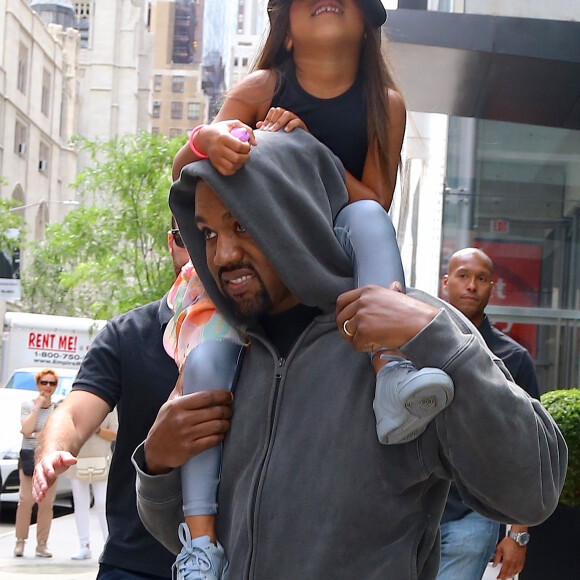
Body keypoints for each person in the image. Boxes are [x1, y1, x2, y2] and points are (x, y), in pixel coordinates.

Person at [133, 129, 566, 580]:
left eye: (242, 224)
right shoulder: (224, 359)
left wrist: (435, 340)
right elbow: (199, 547)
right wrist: (158, 465)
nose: (222, 254)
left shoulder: (411, 326)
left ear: (296, 215)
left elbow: (531, 492)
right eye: (207, 233)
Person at [167, 2, 453, 576]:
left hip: (330, 250)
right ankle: (200, 544)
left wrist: (312, 151)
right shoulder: (263, 85)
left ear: (369, 20)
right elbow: (190, 167)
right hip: (264, 258)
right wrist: (212, 140)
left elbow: (373, 198)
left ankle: (388, 368)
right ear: (287, 31)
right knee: (203, 375)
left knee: (371, 221)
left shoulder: (386, 106)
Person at [31, 225, 190, 579]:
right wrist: (53, 449)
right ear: (170, 243)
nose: (195, 250)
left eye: (207, 234)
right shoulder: (126, 334)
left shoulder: (252, 334)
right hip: (134, 561)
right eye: (185, 236)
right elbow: (72, 412)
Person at [438, 247, 541, 580]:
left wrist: (518, 533)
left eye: (481, 279)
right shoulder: (415, 343)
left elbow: (530, 447)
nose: (471, 286)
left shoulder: (514, 359)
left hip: (474, 515)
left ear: (491, 287)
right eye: (463, 276)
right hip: (409, 511)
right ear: (446, 283)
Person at [14, 368, 59, 558]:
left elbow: (54, 433)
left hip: (48, 457)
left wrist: (36, 435)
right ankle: (20, 541)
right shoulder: (28, 405)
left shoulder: (58, 409)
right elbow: (26, 429)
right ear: (38, 384)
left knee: (46, 503)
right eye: (44, 382)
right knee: (25, 501)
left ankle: (42, 544)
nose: (47, 387)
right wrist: (38, 406)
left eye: (52, 383)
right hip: (28, 458)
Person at [68, 409, 118, 560]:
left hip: (102, 460)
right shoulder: (75, 406)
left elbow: (115, 434)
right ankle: (84, 545)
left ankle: (108, 545)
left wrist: (97, 429)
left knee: (102, 503)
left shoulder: (109, 409)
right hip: (77, 459)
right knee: (80, 503)